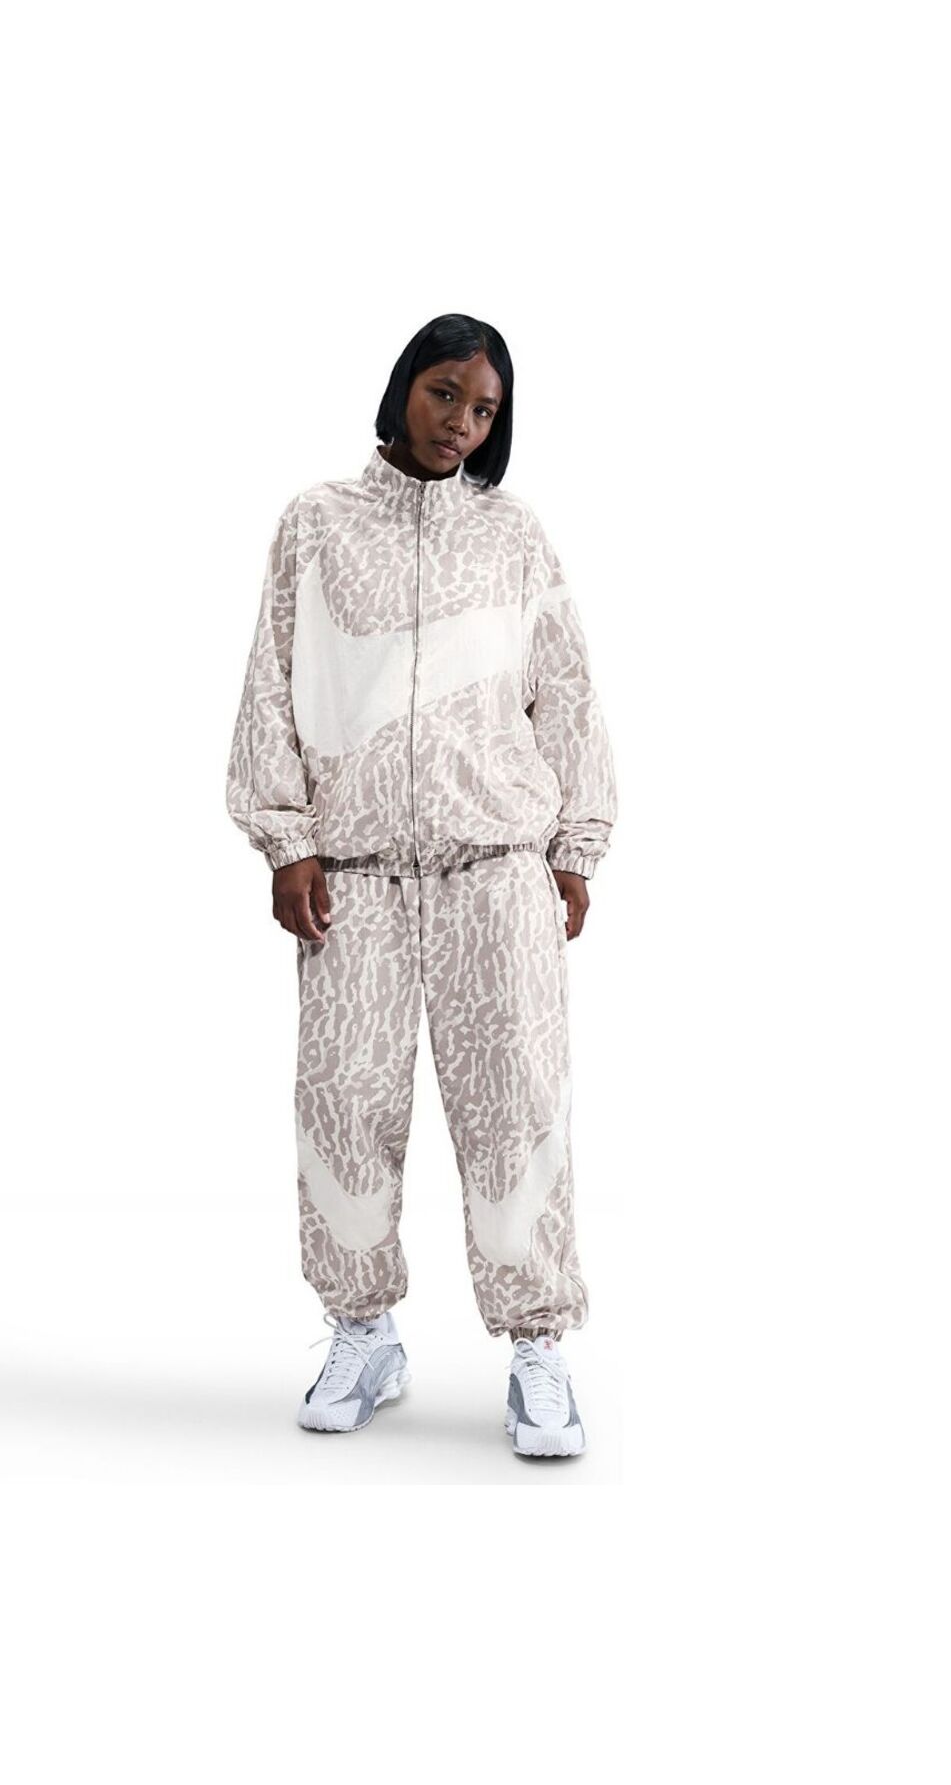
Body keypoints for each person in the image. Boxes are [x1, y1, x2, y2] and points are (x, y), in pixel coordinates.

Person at [226, 313, 617, 1458]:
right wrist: (286, 840)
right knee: (344, 1100)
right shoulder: (317, 524)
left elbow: (567, 692)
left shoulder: (513, 536)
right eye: (445, 394)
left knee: (517, 1103)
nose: (461, 424)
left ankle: (538, 1348)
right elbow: (270, 682)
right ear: (404, 388)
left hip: (495, 868)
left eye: (485, 409)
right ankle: (363, 1331)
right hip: (352, 875)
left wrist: (576, 847)